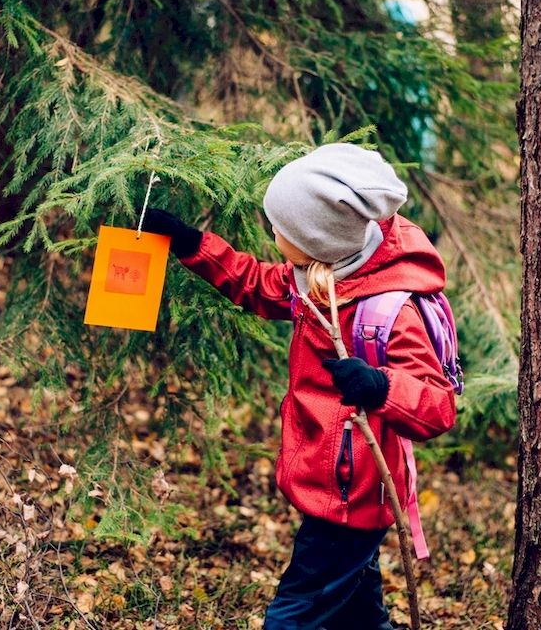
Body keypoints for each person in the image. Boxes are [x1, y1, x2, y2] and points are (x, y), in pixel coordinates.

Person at [142, 143, 457, 630]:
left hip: (354, 495)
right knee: (358, 613)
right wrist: (191, 244)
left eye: (282, 229)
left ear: (319, 239)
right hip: (332, 483)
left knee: (294, 615)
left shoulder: (389, 310)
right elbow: (259, 286)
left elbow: (437, 407)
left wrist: (379, 386)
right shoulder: (321, 275)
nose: (274, 233)